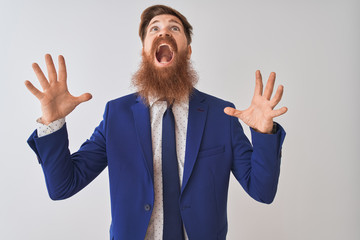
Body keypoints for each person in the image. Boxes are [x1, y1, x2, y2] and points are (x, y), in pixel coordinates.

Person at [25, 5, 287, 240]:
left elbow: (262, 191)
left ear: (188, 49)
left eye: (174, 28)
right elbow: (63, 185)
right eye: (154, 29)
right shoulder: (117, 115)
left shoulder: (222, 115)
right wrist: (53, 122)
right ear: (144, 51)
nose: (164, 33)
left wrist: (263, 133)